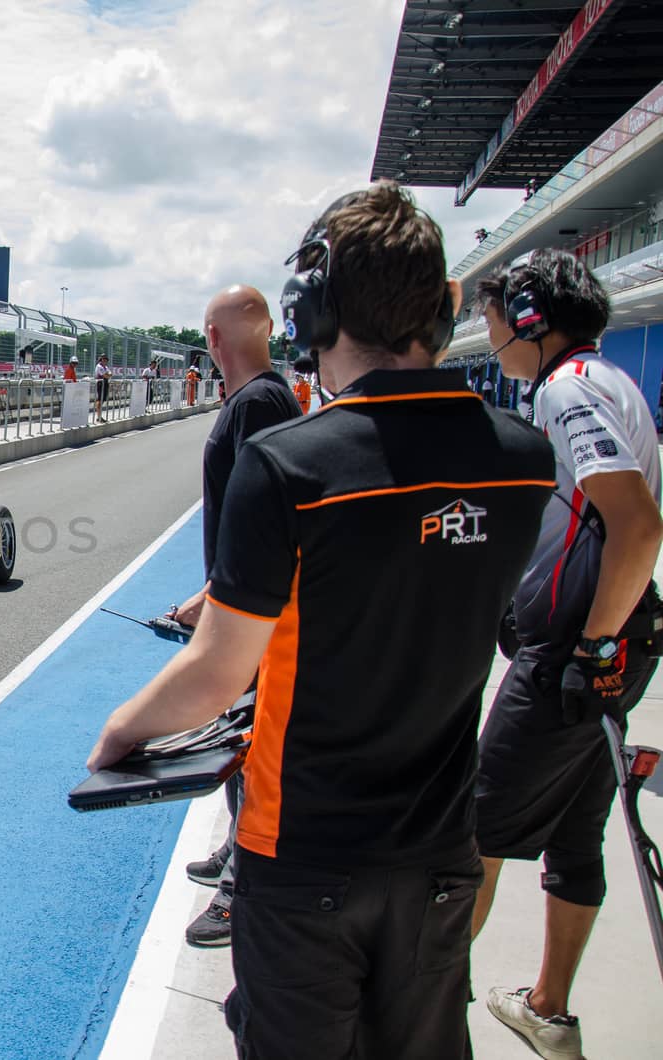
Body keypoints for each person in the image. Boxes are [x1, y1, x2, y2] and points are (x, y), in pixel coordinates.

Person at [88, 181, 555, 1059]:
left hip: (305, 852)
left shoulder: (289, 464)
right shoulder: (525, 461)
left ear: (313, 311)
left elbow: (219, 671)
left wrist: (121, 730)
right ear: (443, 307)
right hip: (442, 852)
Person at [469, 249, 663, 1060]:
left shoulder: (566, 387)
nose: (490, 342)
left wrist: (591, 646)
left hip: (575, 653)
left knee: (472, 831)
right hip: (615, 647)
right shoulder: (611, 378)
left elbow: (639, 523)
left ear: (528, 320)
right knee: (576, 840)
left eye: (492, 324)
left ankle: (420, 1010)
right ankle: (548, 1010)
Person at [167, 285, 302, 949]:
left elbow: (264, 516)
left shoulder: (260, 402)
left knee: (248, 744)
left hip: (251, 608)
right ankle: (234, 851)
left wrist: (219, 592)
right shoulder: (260, 399)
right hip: (241, 598)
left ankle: (239, 888)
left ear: (214, 340)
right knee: (238, 736)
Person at [93, 352, 111, 424]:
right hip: (101, 383)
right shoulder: (99, 366)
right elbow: (106, 375)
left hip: (105, 383)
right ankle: (99, 417)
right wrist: (107, 375)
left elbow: (110, 374)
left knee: (103, 399)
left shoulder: (105, 367)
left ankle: (99, 416)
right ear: (101, 359)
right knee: (100, 399)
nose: (105, 361)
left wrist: (107, 375)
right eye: (103, 359)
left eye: (106, 359)